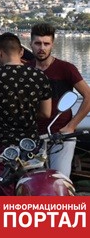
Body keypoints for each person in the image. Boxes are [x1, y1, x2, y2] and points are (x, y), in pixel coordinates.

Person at [0, 32, 52, 195]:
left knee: (1, 192)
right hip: (29, 145)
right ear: (21, 52)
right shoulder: (39, 76)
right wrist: (27, 112)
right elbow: (46, 113)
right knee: (27, 190)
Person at [29, 22, 90, 178]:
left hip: (61, 135)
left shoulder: (66, 68)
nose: (42, 48)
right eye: (37, 43)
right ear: (31, 44)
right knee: (32, 180)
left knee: (59, 179)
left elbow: (88, 96)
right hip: (33, 136)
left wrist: (71, 126)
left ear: (52, 45)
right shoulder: (26, 70)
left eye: (46, 44)